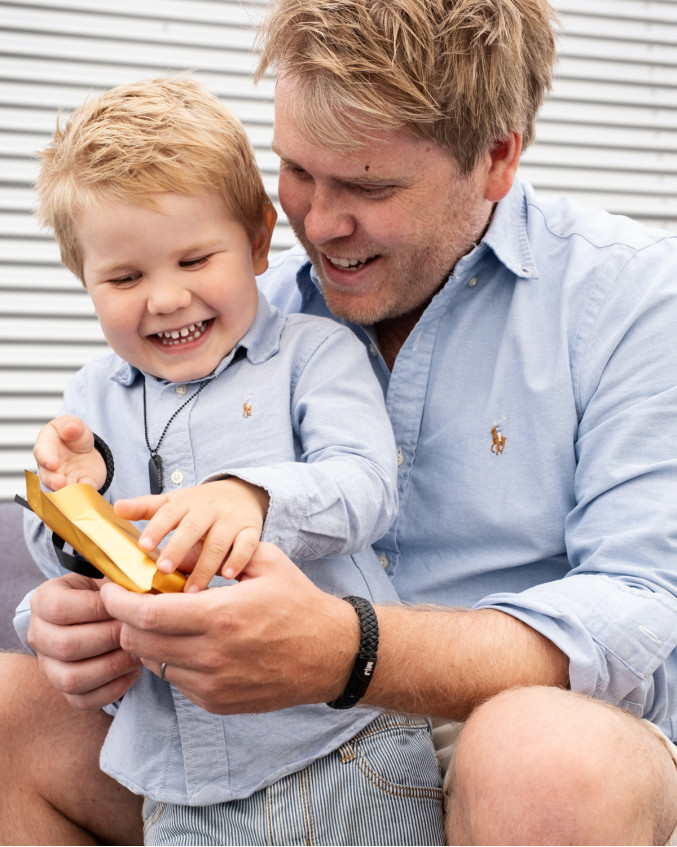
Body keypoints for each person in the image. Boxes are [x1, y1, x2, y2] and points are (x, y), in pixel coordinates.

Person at [4, 0, 677, 843]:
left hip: (505, 732)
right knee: (10, 708)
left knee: (538, 753)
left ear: (496, 156)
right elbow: (134, 533)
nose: (316, 225)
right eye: (296, 171)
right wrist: (72, 613)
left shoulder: (630, 299)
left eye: (368, 185)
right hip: (269, 745)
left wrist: (349, 650)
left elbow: (639, 606)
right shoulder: (234, 316)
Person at [10, 74, 445, 845]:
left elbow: (366, 484)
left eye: (193, 258)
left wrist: (250, 497)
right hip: (183, 786)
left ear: (255, 240)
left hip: (345, 749)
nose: (167, 298)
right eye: (124, 277)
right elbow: (67, 564)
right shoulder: (92, 398)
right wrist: (70, 515)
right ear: (85, 280)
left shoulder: (312, 354)